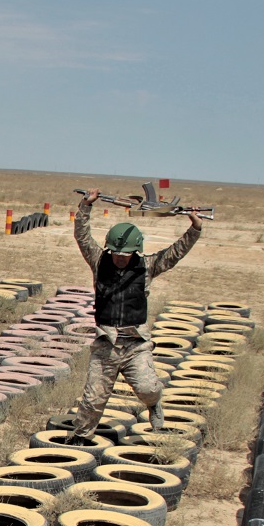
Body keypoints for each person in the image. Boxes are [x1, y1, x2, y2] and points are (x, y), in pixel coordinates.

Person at [69, 188, 203, 446]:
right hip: (106, 344)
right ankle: (81, 437)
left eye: (126, 254)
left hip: (135, 344)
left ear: (136, 250)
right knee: (93, 399)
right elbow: (82, 236)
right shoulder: (98, 261)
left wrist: (195, 228)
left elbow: (175, 253)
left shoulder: (148, 266)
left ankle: (155, 405)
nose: (120, 258)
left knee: (148, 389)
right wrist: (86, 205)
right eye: (116, 253)